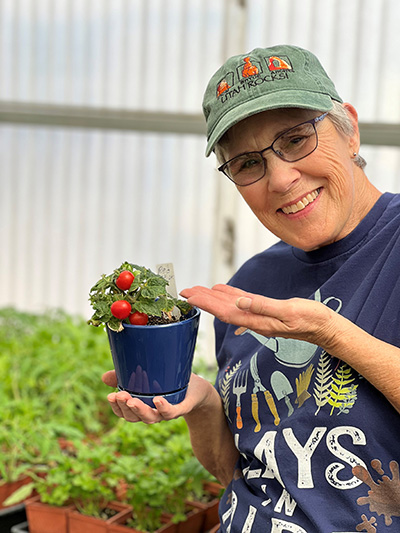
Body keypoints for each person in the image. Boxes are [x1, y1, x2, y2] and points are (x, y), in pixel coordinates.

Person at [102, 44, 400, 532]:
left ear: (349, 129)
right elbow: (240, 470)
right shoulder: (250, 287)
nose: (281, 179)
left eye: (297, 139)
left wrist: (332, 333)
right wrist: (202, 405)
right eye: (246, 163)